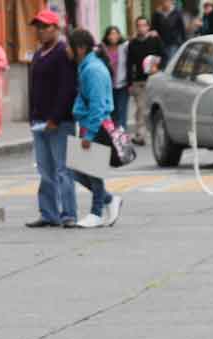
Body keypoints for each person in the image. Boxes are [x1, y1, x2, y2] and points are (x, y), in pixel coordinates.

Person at [26, 8, 78, 228]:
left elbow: (66, 89)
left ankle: (68, 214)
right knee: (45, 170)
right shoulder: (38, 54)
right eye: (38, 27)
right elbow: (34, 88)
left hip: (59, 122)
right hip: (39, 120)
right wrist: (33, 116)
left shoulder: (63, 52)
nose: (41, 31)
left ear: (56, 28)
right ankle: (48, 213)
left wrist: (55, 118)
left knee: (63, 170)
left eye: (45, 27)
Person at [67, 29, 121, 230]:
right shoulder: (86, 66)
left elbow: (98, 105)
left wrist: (89, 134)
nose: (67, 50)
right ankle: (109, 199)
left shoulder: (93, 70)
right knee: (79, 170)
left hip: (96, 126)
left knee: (93, 171)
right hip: (89, 124)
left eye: (69, 46)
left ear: (80, 48)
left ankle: (96, 213)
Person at [127, 17, 163, 146]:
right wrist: (129, 82)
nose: (141, 28)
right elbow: (129, 63)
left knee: (154, 107)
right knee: (141, 108)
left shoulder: (154, 39)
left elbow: (163, 55)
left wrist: (157, 65)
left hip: (154, 80)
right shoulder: (132, 43)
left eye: (144, 25)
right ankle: (140, 135)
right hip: (139, 81)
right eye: (139, 25)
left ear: (148, 27)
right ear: (136, 28)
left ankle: (157, 134)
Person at [101, 25, 129, 131]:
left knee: (122, 114)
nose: (113, 36)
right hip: (108, 86)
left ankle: (122, 141)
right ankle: (113, 139)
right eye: (111, 34)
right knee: (112, 113)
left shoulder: (124, 46)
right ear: (107, 36)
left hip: (122, 85)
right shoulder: (103, 48)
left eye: (116, 33)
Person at [153, 0, 186, 65]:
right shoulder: (157, 14)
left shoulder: (177, 13)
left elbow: (182, 29)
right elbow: (153, 28)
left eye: (167, 1)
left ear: (171, 1)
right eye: (164, 1)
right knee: (163, 63)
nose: (165, 3)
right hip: (160, 43)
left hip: (173, 43)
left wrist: (183, 43)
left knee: (170, 62)